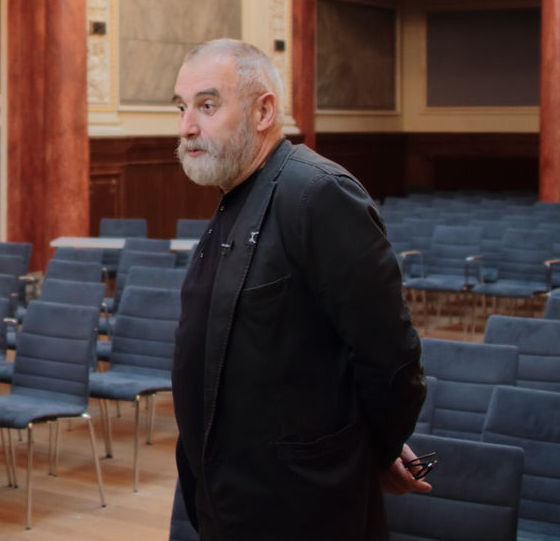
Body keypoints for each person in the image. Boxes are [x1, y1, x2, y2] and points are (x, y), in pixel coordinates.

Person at [168, 39, 427, 540]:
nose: (187, 127)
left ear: (264, 110)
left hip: (302, 508)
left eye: (207, 105)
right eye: (182, 108)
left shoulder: (317, 193)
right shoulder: (233, 197)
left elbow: (390, 358)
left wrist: (375, 449)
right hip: (230, 500)